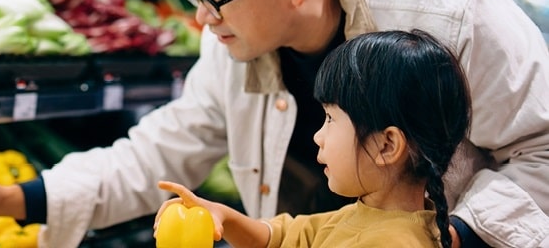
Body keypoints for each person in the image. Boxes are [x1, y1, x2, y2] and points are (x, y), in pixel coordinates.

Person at [0, 0, 549, 247]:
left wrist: (453, 237)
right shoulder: (234, 36)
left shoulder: (456, 15)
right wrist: (9, 199)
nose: (201, 17)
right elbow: (157, 155)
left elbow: (542, 150)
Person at [155, 29, 472, 248]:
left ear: (387, 145)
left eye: (332, 118)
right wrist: (222, 215)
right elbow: (281, 237)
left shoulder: (390, 241)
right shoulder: (368, 216)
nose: (318, 136)